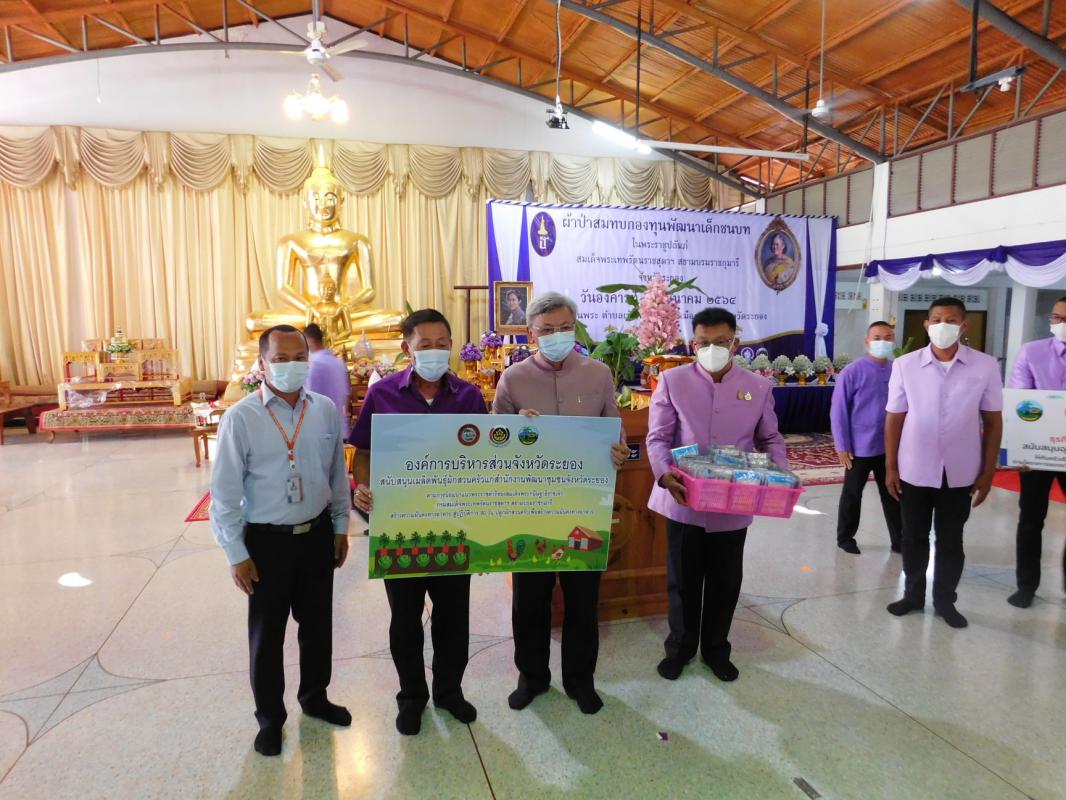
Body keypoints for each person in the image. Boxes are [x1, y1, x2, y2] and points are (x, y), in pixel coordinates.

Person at [210, 324, 352, 757]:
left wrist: (340, 526)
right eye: (281, 359)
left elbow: (336, 474)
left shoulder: (324, 409)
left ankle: (315, 697)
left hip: (317, 536)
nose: (292, 366)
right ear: (262, 363)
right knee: (267, 636)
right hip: (266, 543)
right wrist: (236, 554)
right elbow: (224, 496)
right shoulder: (241, 418)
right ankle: (270, 718)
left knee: (318, 627)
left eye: (300, 358)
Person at [349, 309, 487, 736]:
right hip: (400, 529)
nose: (434, 351)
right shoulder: (382, 394)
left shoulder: (469, 397)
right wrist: (362, 488)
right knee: (405, 620)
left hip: (454, 527)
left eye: (442, 344)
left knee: (453, 618)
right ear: (407, 348)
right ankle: (411, 696)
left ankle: (449, 691)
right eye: (424, 344)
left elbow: (487, 458)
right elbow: (364, 453)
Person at [493, 291, 629, 715]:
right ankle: (532, 677)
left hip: (583, 507)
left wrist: (619, 450)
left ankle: (580, 680)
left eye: (565, 328)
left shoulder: (599, 374)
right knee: (529, 602)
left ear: (575, 328)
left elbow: (615, 431)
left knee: (583, 600)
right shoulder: (513, 379)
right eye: (548, 330)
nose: (557, 335)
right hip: (530, 508)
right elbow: (494, 443)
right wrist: (513, 431)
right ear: (531, 333)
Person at [648, 307, 787, 683]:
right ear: (692, 345)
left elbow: (770, 438)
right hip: (684, 500)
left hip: (734, 502)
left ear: (734, 343)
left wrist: (779, 472)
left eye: (720, 342)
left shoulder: (757, 387)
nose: (712, 349)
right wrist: (664, 473)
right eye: (703, 343)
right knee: (682, 582)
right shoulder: (673, 381)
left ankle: (716, 649)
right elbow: (658, 438)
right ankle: (679, 649)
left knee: (725, 582)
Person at [884, 297, 1003, 629]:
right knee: (913, 537)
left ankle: (945, 601)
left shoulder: (984, 366)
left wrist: (988, 470)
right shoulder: (905, 365)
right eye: (936, 320)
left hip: (960, 470)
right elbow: (894, 418)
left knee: (951, 539)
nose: (942, 326)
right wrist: (891, 467)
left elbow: (993, 421)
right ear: (926, 325)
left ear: (964, 325)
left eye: (950, 320)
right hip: (914, 468)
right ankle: (912, 595)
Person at [1005, 295, 1066, 608]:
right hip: (1038, 450)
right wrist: (1021, 450)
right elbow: (1020, 402)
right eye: (1056, 318)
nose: (1059, 324)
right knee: (1030, 519)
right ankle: (1026, 585)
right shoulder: (1032, 352)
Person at [830, 320, 902, 555]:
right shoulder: (852, 371)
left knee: (893, 493)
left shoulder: (897, 370)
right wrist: (842, 445)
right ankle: (845, 538)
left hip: (889, 447)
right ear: (867, 341)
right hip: (859, 447)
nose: (883, 342)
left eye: (888, 338)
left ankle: (900, 540)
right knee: (852, 494)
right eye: (877, 338)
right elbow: (838, 411)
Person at [304, 322, 352, 437]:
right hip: (339, 426)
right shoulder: (339, 363)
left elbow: (308, 397)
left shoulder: (313, 364)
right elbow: (347, 395)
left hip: (318, 430)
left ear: (308, 342)